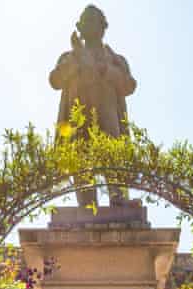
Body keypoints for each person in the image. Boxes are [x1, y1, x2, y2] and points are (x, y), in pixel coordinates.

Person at [50, 5, 136, 207]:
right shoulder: (69, 57)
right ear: (79, 27)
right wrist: (77, 60)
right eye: (85, 21)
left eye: (93, 20)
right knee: (80, 161)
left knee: (114, 158)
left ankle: (120, 201)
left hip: (108, 116)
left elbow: (129, 85)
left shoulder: (115, 59)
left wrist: (105, 69)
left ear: (103, 26)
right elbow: (55, 81)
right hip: (78, 116)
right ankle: (87, 207)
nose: (88, 25)